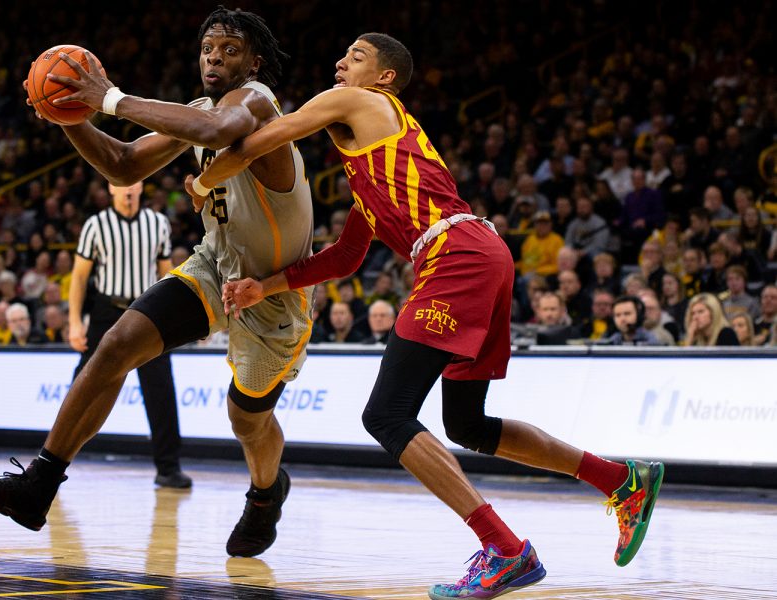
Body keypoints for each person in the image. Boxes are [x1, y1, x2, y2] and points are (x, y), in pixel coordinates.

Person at [197, 33, 663, 599]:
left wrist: (203, 176)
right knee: (468, 426)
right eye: (341, 55)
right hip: (481, 253)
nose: (340, 63)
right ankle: (621, 480)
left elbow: (264, 138)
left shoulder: (360, 102)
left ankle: (505, 549)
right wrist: (261, 287)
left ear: (384, 78)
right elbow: (345, 257)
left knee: (387, 417)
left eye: (356, 57)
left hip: (456, 256)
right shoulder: (372, 167)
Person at [0, 7, 314, 559]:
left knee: (247, 421)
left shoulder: (256, 102)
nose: (215, 58)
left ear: (255, 61)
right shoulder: (195, 112)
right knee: (117, 345)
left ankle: (267, 493)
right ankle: (38, 486)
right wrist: (70, 117)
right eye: (207, 49)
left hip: (275, 290)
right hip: (213, 267)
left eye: (229, 50)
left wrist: (108, 98)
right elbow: (124, 165)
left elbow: (217, 130)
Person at [68, 180, 191, 488]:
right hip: (105, 311)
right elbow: (79, 277)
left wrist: (173, 316)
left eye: (133, 183)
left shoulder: (158, 222)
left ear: (142, 186)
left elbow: (167, 274)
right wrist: (74, 322)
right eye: (120, 184)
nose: (128, 189)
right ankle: (50, 464)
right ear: (109, 189)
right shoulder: (96, 225)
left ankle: (168, 467)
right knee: (82, 386)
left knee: (161, 390)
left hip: (147, 311)